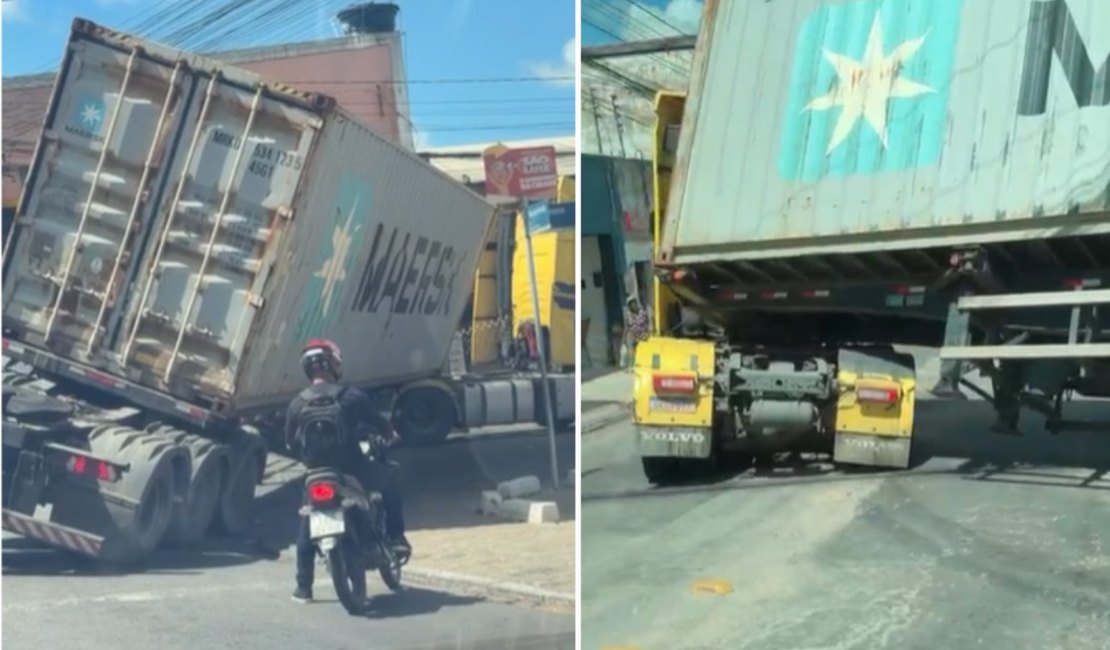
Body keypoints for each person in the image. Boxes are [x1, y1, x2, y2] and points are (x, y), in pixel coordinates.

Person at [285, 338, 411, 604]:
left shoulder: (296, 404)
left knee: (307, 521)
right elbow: (380, 424)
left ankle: (303, 587)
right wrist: (390, 434)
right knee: (391, 479)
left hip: (315, 474)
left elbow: (290, 442)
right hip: (353, 470)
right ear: (333, 364)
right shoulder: (350, 397)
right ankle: (397, 537)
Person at [623, 296, 651, 371]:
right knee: (631, 349)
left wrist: (650, 331)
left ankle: (644, 364)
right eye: (631, 304)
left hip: (643, 335)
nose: (633, 305)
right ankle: (631, 365)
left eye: (634, 303)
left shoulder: (642, 312)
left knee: (644, 350)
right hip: (633, 335)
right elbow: (626, 327)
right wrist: (624, 339)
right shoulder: (628, 314)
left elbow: (648, 322)